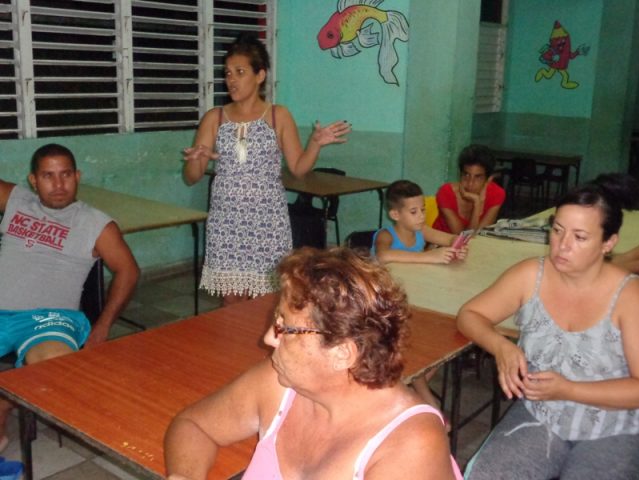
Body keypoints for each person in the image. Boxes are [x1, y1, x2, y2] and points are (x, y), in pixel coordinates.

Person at [164, 247, 463, 480]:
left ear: (342, 352)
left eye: (285, 328)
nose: (269, 338)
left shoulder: (409, 445)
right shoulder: (280, 383)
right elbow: (194, 425)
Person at [457, 180, 639, 479]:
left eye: (580, 237)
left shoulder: (630, 296)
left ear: (608, 243)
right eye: (557, 230)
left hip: (613, 426)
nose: (562, 245)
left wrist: (569, 390)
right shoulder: (531, 274)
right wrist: (501, 346)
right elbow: (470, 314)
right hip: (540, 414)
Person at [182, 33, 350, 307]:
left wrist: (316, 144)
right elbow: (192, 178)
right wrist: (195, 159)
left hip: (267, 221)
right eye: (227, 73)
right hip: (227, 222)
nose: (231, 80)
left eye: (240, 72)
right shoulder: (215, 117)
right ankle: (233, 350)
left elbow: (298, 168)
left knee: (267, 301)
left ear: (260, 75)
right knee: (232, 301)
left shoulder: (277, 115)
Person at [0, 143, 139, 449]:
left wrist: (102, 326)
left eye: (65, 175)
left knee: (56, 370)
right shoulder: (16, 200)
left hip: (51, 320)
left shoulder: (96, 223)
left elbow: (128, 271)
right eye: (48, 176)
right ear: (33, 180)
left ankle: (5, 401)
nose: (59, 184)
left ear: (78, 176)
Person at [372, 179, 468, 415]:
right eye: (414, 212)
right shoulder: (386, 234)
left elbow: (450, 239)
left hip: (417, 297)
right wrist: (431, 257)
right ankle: (427, 403)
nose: (421, 216)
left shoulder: (421, 231)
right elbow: (384, 256)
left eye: (423, 209)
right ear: (395, 214)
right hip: (387, 307)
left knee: (435, 346)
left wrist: (458, 247)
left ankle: (410, 388)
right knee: (418, 350)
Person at [432, 145, 506, 234]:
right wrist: (477, 203)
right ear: (460, 174)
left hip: (473, 245)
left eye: (477, 177)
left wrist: (476, 204)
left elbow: (478, 235)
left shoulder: (496, 194)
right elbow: (462, 237)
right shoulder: (446, 193)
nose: (470, 183)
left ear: (489, 180)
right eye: (466, 175)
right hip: (440, 244)